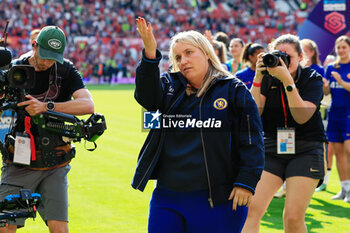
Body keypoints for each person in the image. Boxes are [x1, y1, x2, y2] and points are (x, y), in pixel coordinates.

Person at [132, 17, 264, 233]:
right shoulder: (169, 86)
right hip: (168, 196)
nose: (182, 61)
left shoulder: (232, 89)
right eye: (177, 57)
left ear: (206, 53)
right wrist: (150, 53)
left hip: (217, 197)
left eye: (189, 53)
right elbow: (147, 97)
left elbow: (251, 138)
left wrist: (246, 181)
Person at [0, 26, 94, 233]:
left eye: (54, 58)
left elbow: (88, 105)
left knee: (59, 230)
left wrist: (46, 107)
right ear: (34, 45)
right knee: (5, 228)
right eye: (44, 56)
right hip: (19, 163)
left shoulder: (66, 69)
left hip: (55, 162)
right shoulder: (15, 69)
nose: (48, 62)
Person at [242, 34, 327, 233]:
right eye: (278, 55)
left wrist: (288, 81)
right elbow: (255, 112)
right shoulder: (266, 78)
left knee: (293, 216)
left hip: (307, 148)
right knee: (250, 208)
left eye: (288, 56)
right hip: (273, 146)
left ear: (301, 57)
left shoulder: (311, 78)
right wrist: (257, 79)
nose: (283, 60)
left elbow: (301, 116)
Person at [323, 35, 350, 202]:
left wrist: (340, 80)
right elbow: (327, 94)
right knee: (338, 153)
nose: (341, 50)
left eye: (344, 47)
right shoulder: (331, 67)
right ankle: (344, 189)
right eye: (338, 47)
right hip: (334, 113)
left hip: (348, 114)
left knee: (348, 151)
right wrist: (325, 87)